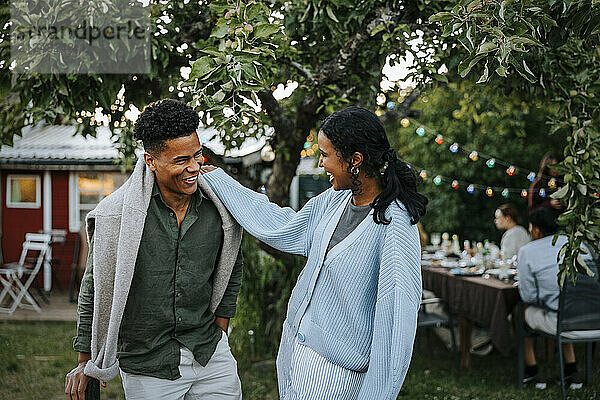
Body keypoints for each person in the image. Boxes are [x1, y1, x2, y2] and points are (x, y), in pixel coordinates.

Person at [200, 106, 427, 399]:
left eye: (325, 154)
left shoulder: (394, 225)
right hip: (298, 351)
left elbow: (396, 322)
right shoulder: (336, 200)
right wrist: (220, 181)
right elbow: (283, 226)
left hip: (339, 373)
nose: (320, 163)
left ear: (354, 160)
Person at [65, 99, 244, 400]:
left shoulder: (221, 208)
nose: (194, 167)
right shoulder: (116, 216)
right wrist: (86, 361)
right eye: (180, 160)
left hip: (209, 352)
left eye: (197, 155)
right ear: (150, 161)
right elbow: (94, 288)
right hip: (147, 363)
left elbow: (232, 266)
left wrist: (221, 329)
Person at [517, 208, 594, 389]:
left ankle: (533, 373)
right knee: (566, 305)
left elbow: (529, 296)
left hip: (561, 322)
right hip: (592, 320)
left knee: (521, 311)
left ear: (536, 230)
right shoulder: (578, 244)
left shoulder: (527, 251)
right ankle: (571, 372)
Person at [528, 153, 565, 218]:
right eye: (553, 166)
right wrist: (549, 204)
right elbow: (533, 208)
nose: (556, 169)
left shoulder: (563, 180)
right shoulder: (538, 184)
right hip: (546, 222)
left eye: (557, 166)